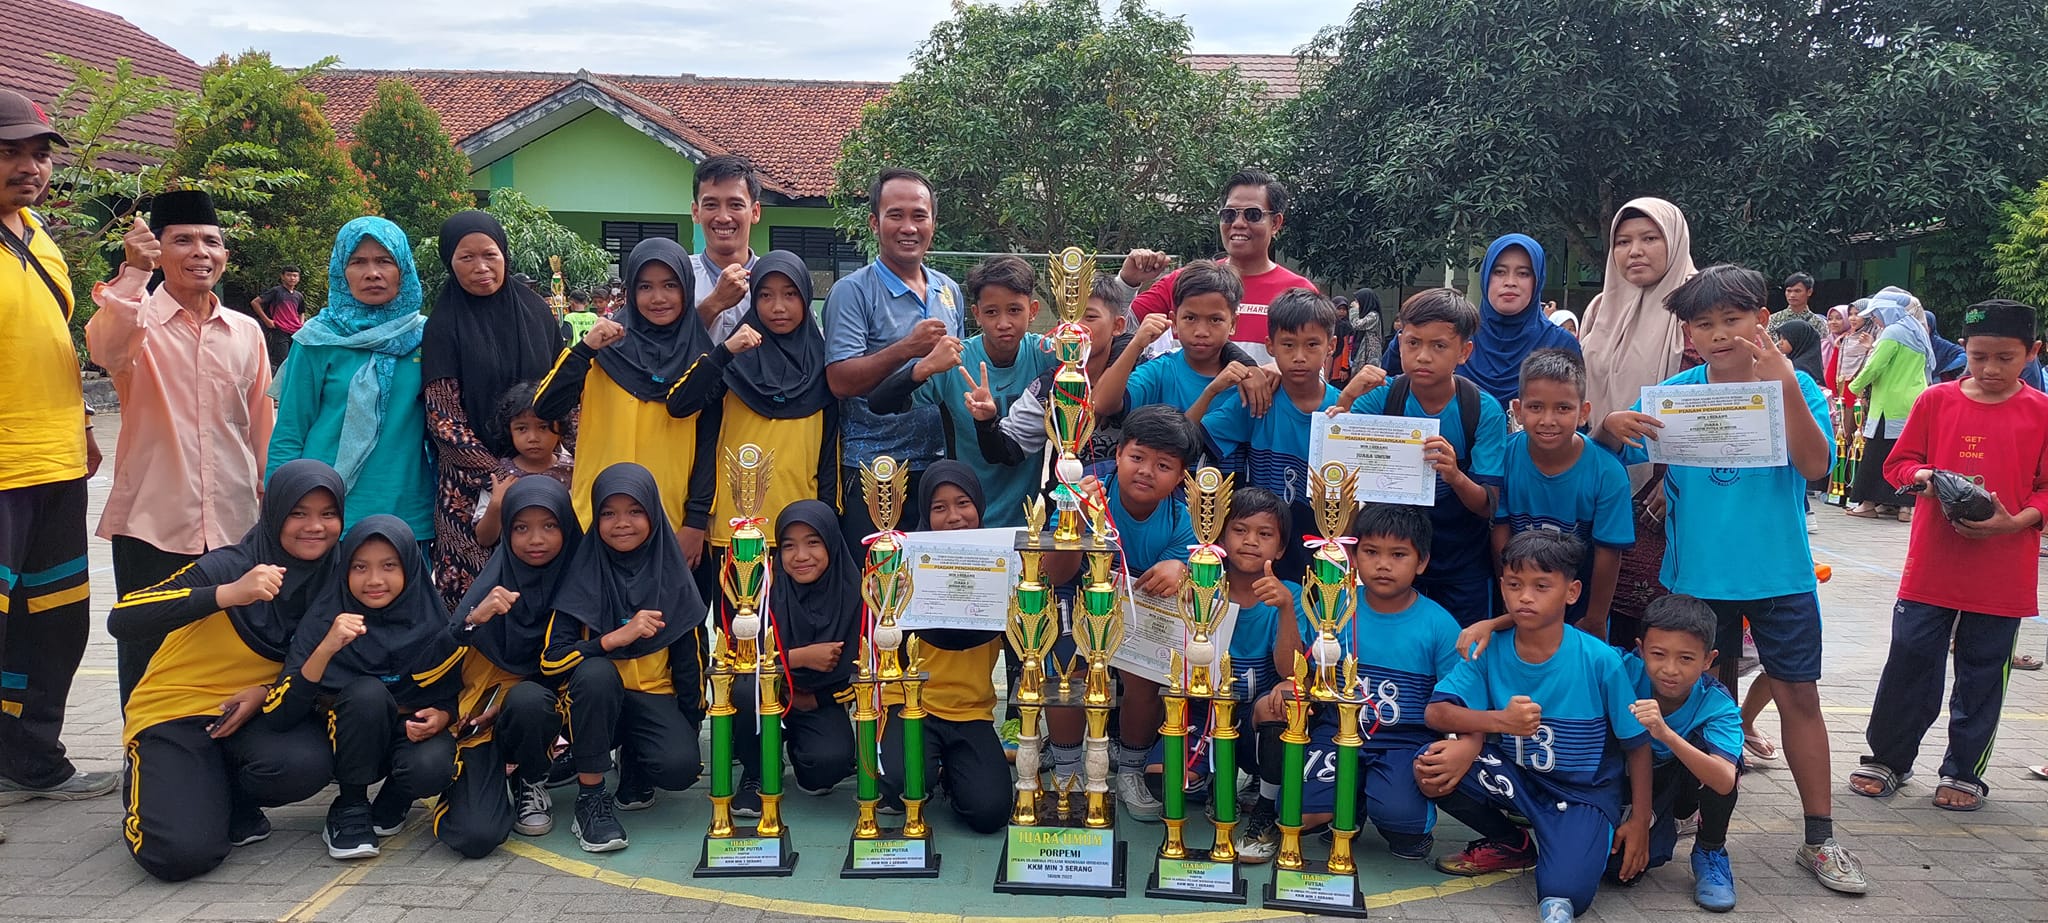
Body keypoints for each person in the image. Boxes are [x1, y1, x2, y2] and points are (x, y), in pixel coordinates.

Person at [1597, 264, 1867, 894]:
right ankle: (1699, 825)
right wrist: (1608, 428)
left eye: (1733, 319)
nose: (1719, 334)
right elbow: (1610, 454)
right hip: (1695, 583)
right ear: (1687, 333)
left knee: (1799, 699)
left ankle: (1820, 838)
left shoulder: (1798, 385)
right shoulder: (1675, 395)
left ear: (1762, 320)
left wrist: (1785, 385)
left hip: (1780, 576)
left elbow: (1816, 466)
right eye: (1704, 323)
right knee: (1698, 702)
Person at [1851, 300, 2048, 813]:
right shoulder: (1935, 400)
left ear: (2032, 352)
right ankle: (1888, 759)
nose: (1990, 369)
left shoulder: (2042, 412)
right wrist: (1923, 477)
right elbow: (1899, 463)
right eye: (1979, 357)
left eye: (2005, 358)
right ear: (1963, 349)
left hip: (2003, 571)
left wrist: (2016, 521)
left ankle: (1964, 770)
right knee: (1910, 659)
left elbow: (2046, 489)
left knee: (1983, 672)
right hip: (1932, 565)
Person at [111, 461, 346, 880]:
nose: (315, 526)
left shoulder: (339, 574)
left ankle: (228, 797)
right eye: (298, 513)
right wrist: (227, 594)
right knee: (178, 855)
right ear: (274, 513)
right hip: (176, 713)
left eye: (328, 514)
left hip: (252, 713)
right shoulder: (233, 565)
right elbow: (123, 618)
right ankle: (150, 783)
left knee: (305, 764)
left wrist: (265, 691)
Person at [87, 192, 275, 705]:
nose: (200, 252)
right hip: (153, 523)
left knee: (229, 650)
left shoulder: (246, 333)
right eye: (183, 240)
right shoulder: (136, 319)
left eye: (211, 241)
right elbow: (104, 349)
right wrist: (133, 272)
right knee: (148, 652)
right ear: (159, 250)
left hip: (235, 523)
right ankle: (146, 747)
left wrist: (272, 505)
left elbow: (261, 426)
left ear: (225, 255)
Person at [1416, 530, 1652, 923]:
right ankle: (1512, 843)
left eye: (1541, 586)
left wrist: (1640, 819)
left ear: (1572, 592)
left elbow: (1637, 744)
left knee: (1565, 893)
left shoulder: (1599, 661)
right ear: (1502, 587)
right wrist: (1497, 723)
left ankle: (1575, 840)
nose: (1525, 596)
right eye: (1514, 585)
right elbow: (1436, 713)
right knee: (1431, 764)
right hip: (1519, 780)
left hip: (1581, 793)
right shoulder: (1489, 648)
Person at [0, 88, 113, 813]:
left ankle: (30, 756)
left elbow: (53, 343)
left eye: (39, 154)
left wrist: (84, 426)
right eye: (9, 152)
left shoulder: (38, 235)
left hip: (57, 461)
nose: (29, 167)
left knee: (56, 621)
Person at [1239, 503, 1460, 864]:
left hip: (1403, 740)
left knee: (1402, 827)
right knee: (1298, 814)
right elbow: (1300, 671)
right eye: (1371, 552)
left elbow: (1459, 698)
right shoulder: (1334, 608)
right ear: (1353, 559)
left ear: (1421, 562)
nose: (1383, 565)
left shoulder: (1440, 625)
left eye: (1398, 555)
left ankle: (1398, 817)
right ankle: (1350, 800)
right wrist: (1289, 664)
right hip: (1337, 732)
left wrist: (1461, 744)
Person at [262, 516, 462, 861]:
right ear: (344, 570)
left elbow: (453, 690)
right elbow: (280, 713)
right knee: (367, 694)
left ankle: (395, 797)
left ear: (410, 567)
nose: (374, 580)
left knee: (432, 766)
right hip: (347, 735)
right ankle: (350, 805)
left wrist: (444, 715)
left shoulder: (428, 616)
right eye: (360, 567)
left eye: (389, 566)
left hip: (406, 730)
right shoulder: (327, 617)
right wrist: (327, 647)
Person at [541, 464, 708, 853]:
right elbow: (552, 660)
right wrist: (611, 640)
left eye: (635, 511)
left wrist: (687, 727)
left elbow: (691, 663)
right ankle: (591, 797)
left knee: (680, 767)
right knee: (597, 675)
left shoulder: (672, 575)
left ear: (653, 514)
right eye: (608, 513)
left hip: (654, 697)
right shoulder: (583, 571)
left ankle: (637, 759)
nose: (622, 523)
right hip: (593, 705)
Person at [1047, 406, 1199, 820]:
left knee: (1145, 677)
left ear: (1181, 476)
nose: (1146, 471)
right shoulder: (1082, 490)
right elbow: (1055, 573)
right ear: (1117, 454)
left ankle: (1131, 770)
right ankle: (1068, 772)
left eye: (1163, 465)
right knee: (1067, 674)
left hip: (1140, 601)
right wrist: (1075, 522)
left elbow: (1185, 576)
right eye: (1137, 457)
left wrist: (1180, 567)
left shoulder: (1182, 517)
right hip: (1077, 591)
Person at [666, 250, 836, 605]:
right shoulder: (731, 362)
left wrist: (826, 525)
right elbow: (685, 412)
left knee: (789, 634)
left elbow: (828, 458)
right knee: (734, 633)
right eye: (765, 295)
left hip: (800, 537)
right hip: (732, 532)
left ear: (806, 298)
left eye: (790, 294)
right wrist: (696, 520)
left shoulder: (824, 368)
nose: (778, 307)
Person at [1333, 289, 1508, 626]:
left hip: (1461, 565)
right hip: (1394, 561)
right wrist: (1348, 396)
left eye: (1439, 346)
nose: (1423, 356)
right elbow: (1335, 457)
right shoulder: (1382, 397)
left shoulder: (1482, 410)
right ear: (1400, 342)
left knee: (1463, 647)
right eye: (1413, 343)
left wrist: (1455, 475)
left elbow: (1487, 505)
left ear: (1464, 352)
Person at [533, 238, 718, 555]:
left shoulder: (702, 359)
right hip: (596, 518)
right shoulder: (603, 348)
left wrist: (695, 522)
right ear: (630, 292)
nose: (658, 298)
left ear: (687, 290)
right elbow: (547, 407)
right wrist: (584, 350)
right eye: (645, 287)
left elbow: (708, 445)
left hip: (668, 522)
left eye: (670, 285)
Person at [422, 211, 566, 612]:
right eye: (466, 258)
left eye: (489, 255)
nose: (481, 267)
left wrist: (554, 461)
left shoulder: (536, 312)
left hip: (545, 471)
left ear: (504, 254)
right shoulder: (443, 325)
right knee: (473, 596)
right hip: (469, 486)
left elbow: (564, 392)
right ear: (449, 262)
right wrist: (502, 475)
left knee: (548, 588)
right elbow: (443, 417)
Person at [434, 477, 581, 857]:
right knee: (476, 836)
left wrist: (509, 703)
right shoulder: (494, 588)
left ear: (567, 527)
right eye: (521, 528)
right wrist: (473, 621)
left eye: (549, 526)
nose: (536, 539)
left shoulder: (582, 583)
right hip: (479, 719)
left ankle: (532, 778)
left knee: (530, 701)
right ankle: (476, 777)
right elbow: (437, 660)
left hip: (541, 712)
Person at [267, 217, 435, 540]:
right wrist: (277, 508)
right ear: (341, 271)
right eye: (358, 262)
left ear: (403, 268)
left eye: (384, 261)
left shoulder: (428, 337)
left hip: (410, 510)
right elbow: (289, 431)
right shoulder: (316, 340)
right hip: (325, 513)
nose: (372, 273)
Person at [824, 168, 964, 541]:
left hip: (939, 469)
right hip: (875, 468)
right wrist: (908, 349)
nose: (908, 227)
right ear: (875, 222)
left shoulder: (948, 290)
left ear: (933, 223)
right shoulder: (852, 292)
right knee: (878, 574)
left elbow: (955, 376)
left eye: (919, 215)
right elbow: (839, 381)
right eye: (895, 215)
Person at [871, 255, 1054, 528]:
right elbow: (879, 403)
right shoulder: (955, 360)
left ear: (1033, 309)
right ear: (976, 314)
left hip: (1024, 522)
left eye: (1014, 310)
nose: (1003, 323)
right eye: (991, 312)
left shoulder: (1046, 354)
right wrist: (923, 367)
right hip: (964, 521)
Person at [879, 461, 1010, 833]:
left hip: (971, 711)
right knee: (902, 787)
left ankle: (953, 773)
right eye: (939, 507)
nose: (954, 517)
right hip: (911, 704)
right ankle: (922, 766)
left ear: (979, 505)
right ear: (925, 512)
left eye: (963, 503)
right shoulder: (902, 566)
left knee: (990, 813)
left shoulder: (1003, 565)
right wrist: (890, 598)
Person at [1484, 348, 1632, 640]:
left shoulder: (1608, 472)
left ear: (1583, 413)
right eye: (1536, 407)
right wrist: (1509, 601)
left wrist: (1595, 618)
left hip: (1580, 601)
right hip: (1520, 594)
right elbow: (1500, 532)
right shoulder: (1503, 456)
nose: (1548, 420)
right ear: (1518, 410)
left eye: (1563, 408)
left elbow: (1608, 553)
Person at [1608, 594, 1743, 912]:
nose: (1670, 669)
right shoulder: (1619, 668)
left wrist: (1665, 733)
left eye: (1686, 658)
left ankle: (1710, 851)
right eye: (1658, 654)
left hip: (1681, 783)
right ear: (1641, 649)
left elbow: (1724, 781)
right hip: (1626, 777)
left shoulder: (1716, 703)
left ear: (1708, 660)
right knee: (1617, 871)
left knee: (1721, 759)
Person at [1197, 288, 1343, 577]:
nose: (1299, 357)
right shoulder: (1256, 399)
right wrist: (1213, 390)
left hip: (1319, 547)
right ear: (1270, 346)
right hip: (1259, 543)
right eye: (1288, 345)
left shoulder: (1344, 411)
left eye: (1312, 344)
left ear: (1332, 346)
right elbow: (1191, 439)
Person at [730, 500, 860, 815]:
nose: (801, 556)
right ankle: (757, 769)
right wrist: (797, 658)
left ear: (832, 543)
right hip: (767, 695)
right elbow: (739, 661)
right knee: (746, 689)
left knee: (828, 766)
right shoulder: (760, 589)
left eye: (813, 543)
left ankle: (803, 757)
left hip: (819, 700)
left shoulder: (856, 592)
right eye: (789, 546)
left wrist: (817, 700)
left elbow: (862, 672)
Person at [1115, 168, 1317, 363]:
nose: (1238, 223)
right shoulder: (1185, 281)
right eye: (1229, 214)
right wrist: (1127, 282)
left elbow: (1316, 366)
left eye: (1252, 214)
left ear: (1275, 223)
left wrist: (1280, 372)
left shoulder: (1298, 292)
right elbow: (1119, 330)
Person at [1384, 234, 1580, 405]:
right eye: (1499, 272)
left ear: (1538, 280)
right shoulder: (1450, 332)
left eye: (1523, 274)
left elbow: (1572, 414)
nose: (1510, 282)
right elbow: (1387, 396)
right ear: (1485, 276)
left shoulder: (1560, 344)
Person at [979, 277, 1135, 474]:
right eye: (1070, 319)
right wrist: (986, 421)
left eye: (1090, 317)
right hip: (1065, 491)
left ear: (1117, 325)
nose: (1076, 328)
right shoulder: (1051, 385)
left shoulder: (1140, 373)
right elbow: (1007, 450)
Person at [1093, 260, 1269, 420]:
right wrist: (1136, 345)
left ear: (1233, 323)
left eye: (1215, 320)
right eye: (1190, 318)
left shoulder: (1251, 382)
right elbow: (1102, 405)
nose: (1201, 332)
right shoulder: (1161, 370)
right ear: (1174, 321)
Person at [1580, 197, 1699, 429]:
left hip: (1681, 447)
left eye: (1650, 239)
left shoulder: (1702, 303)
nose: (1635, 251)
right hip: (1601, 445)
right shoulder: (1601, 309)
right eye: (1623, 242)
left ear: (1674, 240)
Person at [1846, 292, 1933, 521]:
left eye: (1876, 314)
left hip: (1889, 404)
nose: (1874, 319)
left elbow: (1875, 366)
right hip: (1913, 401)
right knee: (1906, 453)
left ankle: (1867, 503)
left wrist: (1853, 387)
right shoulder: (1916, 330)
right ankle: (1903, 507)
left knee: (1876, 453)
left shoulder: (1892, 332)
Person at [472, 381, 575, 550]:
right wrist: (496, 505)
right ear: (509, 431)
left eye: (543, 427)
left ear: (560, 430)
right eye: (522, 429)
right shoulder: (502, 475)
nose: (533, 438)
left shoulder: (572, 472)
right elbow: (485, 539)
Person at [689, 154, 765, 344]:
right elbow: (658, 346)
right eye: (711, 205)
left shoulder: (777, 279)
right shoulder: (677, 277)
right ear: (696, 212)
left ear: (755, 212)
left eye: (735, 205)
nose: (723, 217)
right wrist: (714, 303)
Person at [250, 265, 306, 367]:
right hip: (280, 330)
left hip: (295, 332)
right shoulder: (276, 291)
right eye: (289, 275)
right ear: (282, 276)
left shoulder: (299, 295)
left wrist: (301, 325)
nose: (292, 278)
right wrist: (267, 320)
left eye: (295, 276)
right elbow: (255, 302)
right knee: (282, 361)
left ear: (298, 278)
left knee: (295, 361)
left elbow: (301, 312)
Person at [1770, 271, 1828, 342]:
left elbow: (1822, 346)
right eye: (1789, 291)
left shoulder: (1819, 323)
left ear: (1809, 292)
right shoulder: (1773, 319)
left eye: (1797, 291)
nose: (1792, 295)